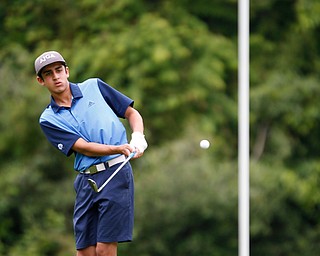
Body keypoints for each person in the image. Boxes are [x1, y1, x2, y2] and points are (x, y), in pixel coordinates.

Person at [34, 50, 148, 256]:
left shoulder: (94, 86)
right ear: (41, 81)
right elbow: (83, 146)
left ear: (67, 71)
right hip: (86, 181)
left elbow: (131, 113)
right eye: (48, 74)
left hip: (115, 173)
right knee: (85, 252)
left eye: (59, 70)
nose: (56, 76)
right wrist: (118, 147)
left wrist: (138, 136)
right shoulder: (48, 119)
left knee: (104, 250)